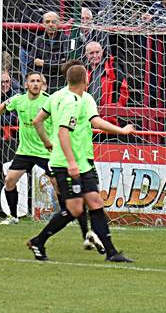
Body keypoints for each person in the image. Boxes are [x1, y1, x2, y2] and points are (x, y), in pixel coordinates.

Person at [26, 63, 135, 262]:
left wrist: (47, 143)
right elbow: (64, 131)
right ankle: (38, 241)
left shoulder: (60, 96)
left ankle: (112, 252)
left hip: (83, 160)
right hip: (68, 163)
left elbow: (37, 121)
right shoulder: (71, 101)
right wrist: (121, 131)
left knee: (95, 202)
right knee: (74, 209)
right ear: (86, 80)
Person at [0, 72, 53, 224]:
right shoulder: (18, 100)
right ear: (26, 84)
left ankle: (67, 215)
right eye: (32, 81)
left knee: (57, 184)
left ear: (42, 85)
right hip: (25, 151)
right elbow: (3, 106)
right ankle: (13, 216)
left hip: (46, 151)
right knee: (9, 180)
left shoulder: (49, 101)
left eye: (38, 81)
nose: (36, 84)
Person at [27, 12, 71, 89]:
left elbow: (66, 64)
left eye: (53, 22)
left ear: (58, 23)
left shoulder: (66, 39)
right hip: (42, 82)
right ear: (43, 24)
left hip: (61, 82)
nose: (50, 24)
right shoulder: (38, 40)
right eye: (47, 22)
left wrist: (43, 63)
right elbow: (31, 63)